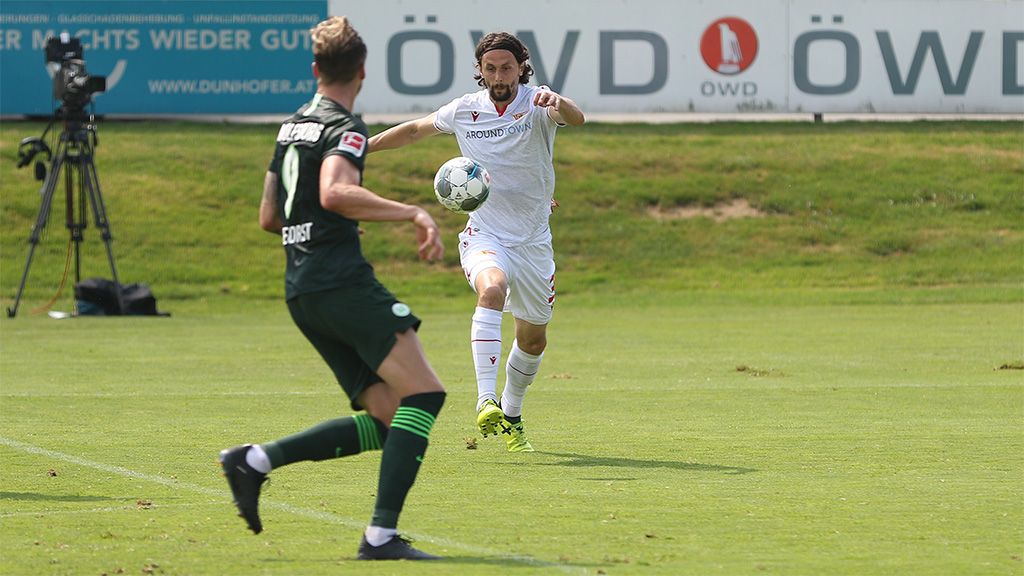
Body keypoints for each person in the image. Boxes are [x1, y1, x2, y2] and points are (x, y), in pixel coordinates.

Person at [219, 16, 446, 561]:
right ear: (362, 71)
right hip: (339, 280)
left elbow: (270, 216)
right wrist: (413, 211)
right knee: (425, 395)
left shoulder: (290, 125)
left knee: (393, 417)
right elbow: (336, 192)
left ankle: (254, 461)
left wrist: (331, 220)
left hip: (302, 287)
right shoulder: (345, 127)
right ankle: (381, 537)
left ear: (316, 69)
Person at [368, 32, 585, 452]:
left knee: (533, 340)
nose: (499, 75)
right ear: (480, 70)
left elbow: (577, 119)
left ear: (521, 67)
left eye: (506, 67)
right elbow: (414, 130)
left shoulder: (538, 103)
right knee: (491, 289)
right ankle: (485, 400)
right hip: (485, 234)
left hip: (534, 242)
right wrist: (362, 147)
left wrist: (559, 102)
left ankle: (512, 412)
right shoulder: (465, 110)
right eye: (490, 68)